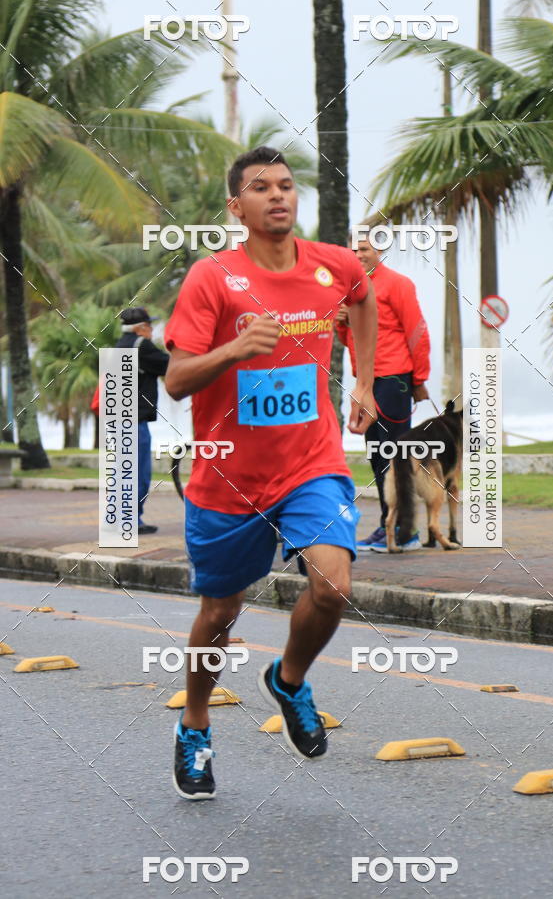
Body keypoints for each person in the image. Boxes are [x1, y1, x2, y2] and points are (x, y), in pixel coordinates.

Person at [164, 146, 377, 800]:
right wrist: (235, 348)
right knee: (220, 612)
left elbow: (362, 299)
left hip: (311, 464)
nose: (278, 195)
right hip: (228, 478)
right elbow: (176, 380)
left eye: (286, 185)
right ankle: (195, 723)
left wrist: (364, 381)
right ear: (237, 207)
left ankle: (288, 680)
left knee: (333, 585)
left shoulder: (334, 265)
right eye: (261, 188)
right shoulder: (211, 278)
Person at [335, 234, 431, 552]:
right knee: (377, 455)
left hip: (394, 379)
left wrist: (419, 379)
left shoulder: (398, 284)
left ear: (379, 249)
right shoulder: (349, 288)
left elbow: (417, 332)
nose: (357, 254)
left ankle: (406, 532)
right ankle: (388, 526)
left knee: (395, 455)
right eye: (352, 250)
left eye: (363, 248)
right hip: (366, 383)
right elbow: (349, 338)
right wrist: (341, 323)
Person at [116, 307, 169, 535]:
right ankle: (130, 521)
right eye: (149, 326)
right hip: (135, 420)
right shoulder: (141, 346)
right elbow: (169, 364)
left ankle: (123, 519)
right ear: (141, 328)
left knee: (124, 472)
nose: (152, 331)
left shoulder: (119, 346)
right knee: (139, 474)